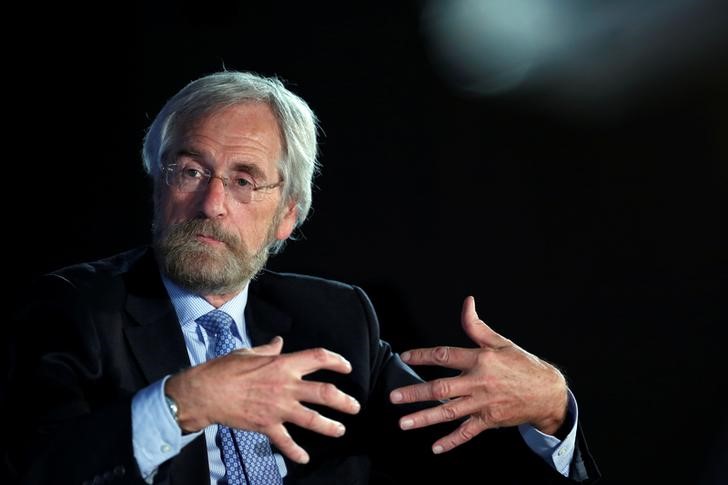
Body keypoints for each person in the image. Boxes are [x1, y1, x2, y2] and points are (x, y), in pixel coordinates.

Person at [5, 71, 600, 484]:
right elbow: (34, 468)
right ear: (159, 185)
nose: (212, 203)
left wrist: (550, 414)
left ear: (287, 214)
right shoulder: (75, 308)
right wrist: (184, 403)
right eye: (190, 170)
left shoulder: (337, 321)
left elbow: (463, 472)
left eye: (244, 180)